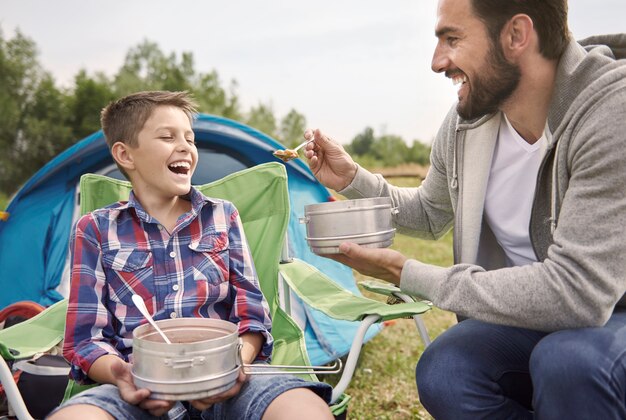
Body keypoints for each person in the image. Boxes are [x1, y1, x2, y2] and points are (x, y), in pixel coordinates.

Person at [303, 0, 626, 418]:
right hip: (536, 317)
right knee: (446, 369)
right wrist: (352, 180)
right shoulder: (466, 123)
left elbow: (579, 293)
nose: (438, 62)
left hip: (610, 313)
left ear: (516, 35)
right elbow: (429, 212)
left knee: (567, 364)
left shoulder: (610, 111)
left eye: (452, 39)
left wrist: (409, 274)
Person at [48, 91, 333, 420]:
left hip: (229, 381)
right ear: (125, 155)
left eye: (189, 138)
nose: (185, 147)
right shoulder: (95, 229)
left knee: (303, 409)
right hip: (136, 386)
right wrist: (122, 374)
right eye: (167, 137)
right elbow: (85, 340)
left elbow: (252, 316)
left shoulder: (223, 217)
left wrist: (235, 362)